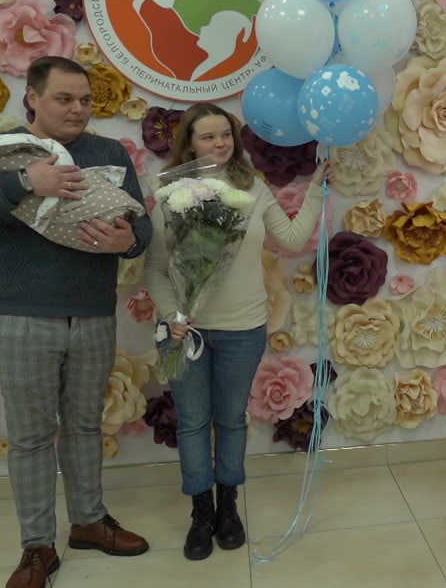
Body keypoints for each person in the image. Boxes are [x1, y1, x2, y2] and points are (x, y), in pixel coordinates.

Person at [0, 56, 154, 588]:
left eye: (85, 100)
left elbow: (141, 226)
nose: (78, 109)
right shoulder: (0, 150)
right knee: (31, 437)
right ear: (31, 97)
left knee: (85, 426)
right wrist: (24, 181)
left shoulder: (108, 153)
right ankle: (36, 547)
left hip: (93, 313)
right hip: (21, 316)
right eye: (64, 99)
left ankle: (89, 522)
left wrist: (130, 241)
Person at [143, 103, 332, 561]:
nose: (220, 144)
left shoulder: (253, 188)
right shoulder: (171, 194)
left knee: (230, 420)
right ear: (189, 144)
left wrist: (314, 190)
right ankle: (201, 512)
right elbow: (156, 267)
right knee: (192, 423)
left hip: (243, 331)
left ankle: (228, 507)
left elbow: (291, 239)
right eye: (208, 137)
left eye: (225, 135)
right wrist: (172, 315)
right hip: (185, 332)